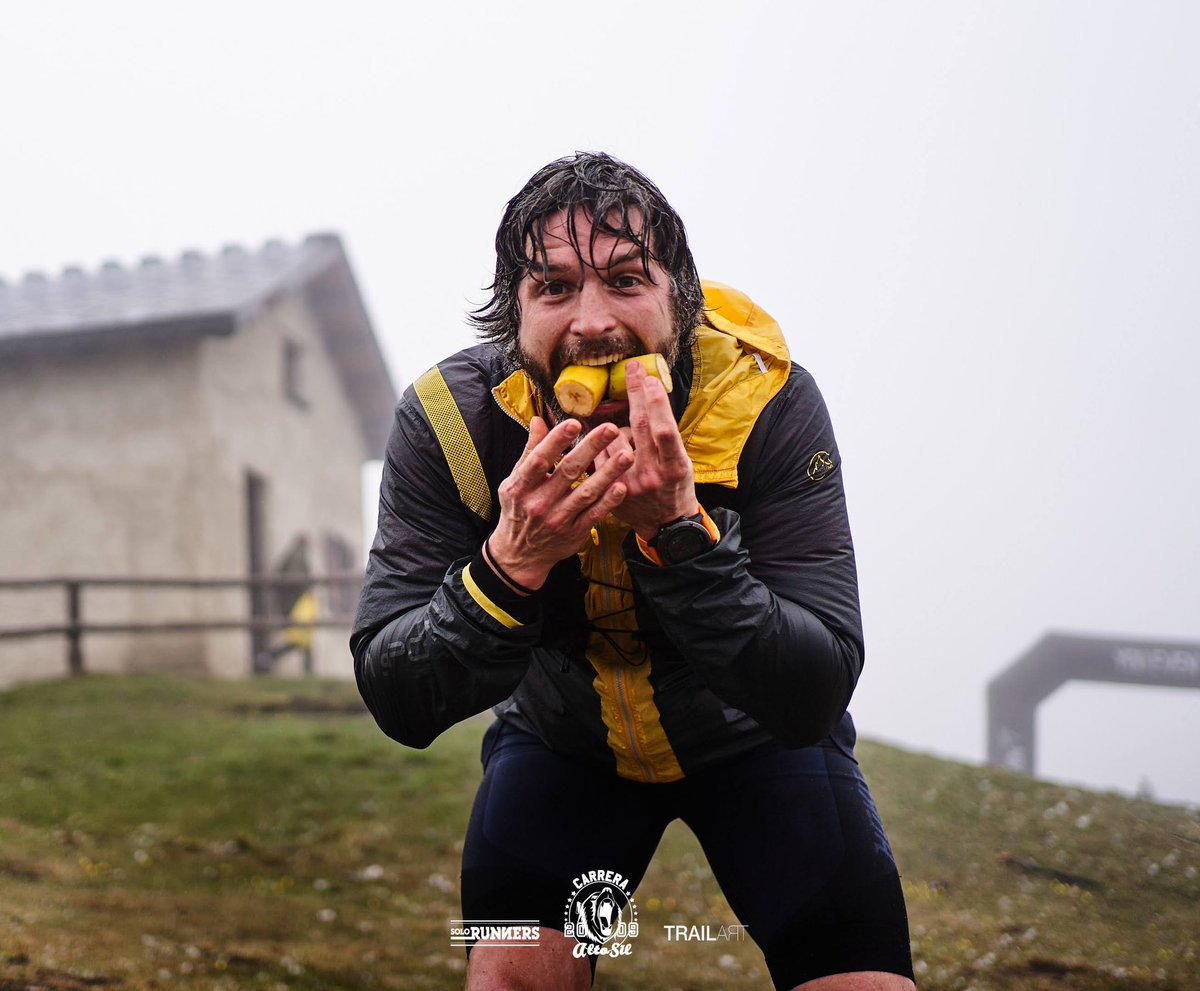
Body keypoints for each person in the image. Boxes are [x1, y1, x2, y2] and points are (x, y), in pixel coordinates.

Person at [352, 152, 915, 991]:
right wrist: (511, 566)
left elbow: (818, 682)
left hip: (759, 741)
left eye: (625, 279)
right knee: (506, 974)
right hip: (560, 743)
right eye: (553, 288)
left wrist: (683, 538)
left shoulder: (768, 402)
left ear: (680, 301)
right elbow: (397, 695)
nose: (591, 323)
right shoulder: (450, 421)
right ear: (511, 318)